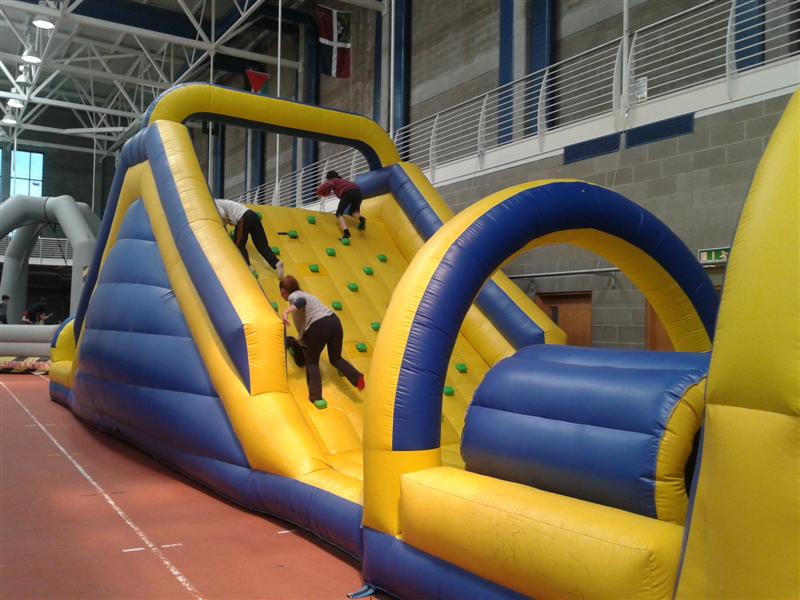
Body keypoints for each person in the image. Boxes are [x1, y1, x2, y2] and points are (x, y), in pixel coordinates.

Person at [279, 275, 365, 409]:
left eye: (282, 292)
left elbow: (300, 302)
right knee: (335, 358)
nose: (281, 295)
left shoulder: (295, 296)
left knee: (312, 362)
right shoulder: (307, 295)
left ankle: (316, 397)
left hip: (319, 325)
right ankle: (357, 378)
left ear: (285, 291)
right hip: (334, 322)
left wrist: (286, 312)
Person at [214, 198, 284, 278]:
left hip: (243, 217)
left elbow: (222, 214)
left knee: (239, 245)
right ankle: (277, 263)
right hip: (253, 215)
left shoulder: (215, 203)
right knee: (262, 245)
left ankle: (249, 267)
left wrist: (224, 225)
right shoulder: (222, 202)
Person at [316, 171, 366, 239]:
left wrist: (318, 192)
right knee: (353, 212)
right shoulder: (342, 181)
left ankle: (346, 233)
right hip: (357, 192)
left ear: (329, 178)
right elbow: (330, 192)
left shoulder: (332, 181)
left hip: (348, 192)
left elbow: (324, 187)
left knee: (338, 213)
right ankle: (361, 219)